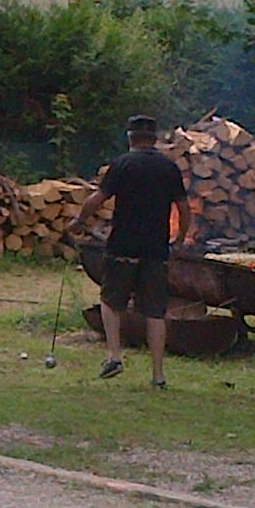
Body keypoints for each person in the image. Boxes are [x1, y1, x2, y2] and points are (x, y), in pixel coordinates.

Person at [71, 114, 188, 385]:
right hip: (156, 249)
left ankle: (114, 356)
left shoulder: (122, 164)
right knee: (155, 311)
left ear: (130, 137)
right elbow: (183, 209)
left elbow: (97, 199)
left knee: (112, 301)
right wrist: (180, 238)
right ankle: (158, 374)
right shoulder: (169, 168)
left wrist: (79, 221)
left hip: (122, 245)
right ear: (155, 138)